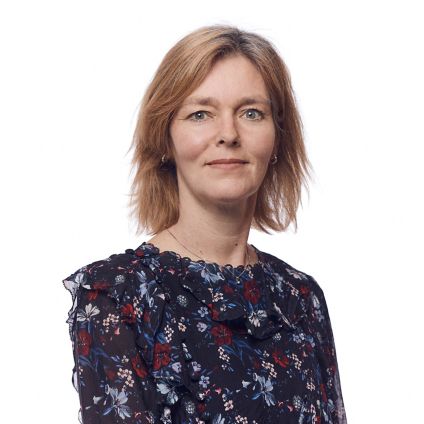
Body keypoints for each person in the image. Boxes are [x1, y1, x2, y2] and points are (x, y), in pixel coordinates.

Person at [63, 24, 347, 424]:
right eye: (200, 114)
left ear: (278, 138)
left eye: (251, 113)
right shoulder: (117, 296)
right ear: (165, 139)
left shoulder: (301, 298)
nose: (228, 134)